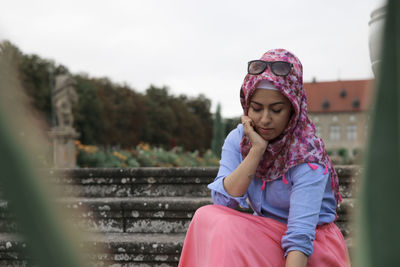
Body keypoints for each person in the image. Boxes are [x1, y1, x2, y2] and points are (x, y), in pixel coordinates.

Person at [178, 49, 350, 267]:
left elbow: (300, 238)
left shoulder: (307, 155)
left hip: (312, 247)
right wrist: (256, 150)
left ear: (293, 110)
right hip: (267, 235)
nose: (264, 119)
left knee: (229, 233)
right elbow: (224, 202)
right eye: (256, 108)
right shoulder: (240, 140)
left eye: (276, 110)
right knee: (207, 216)